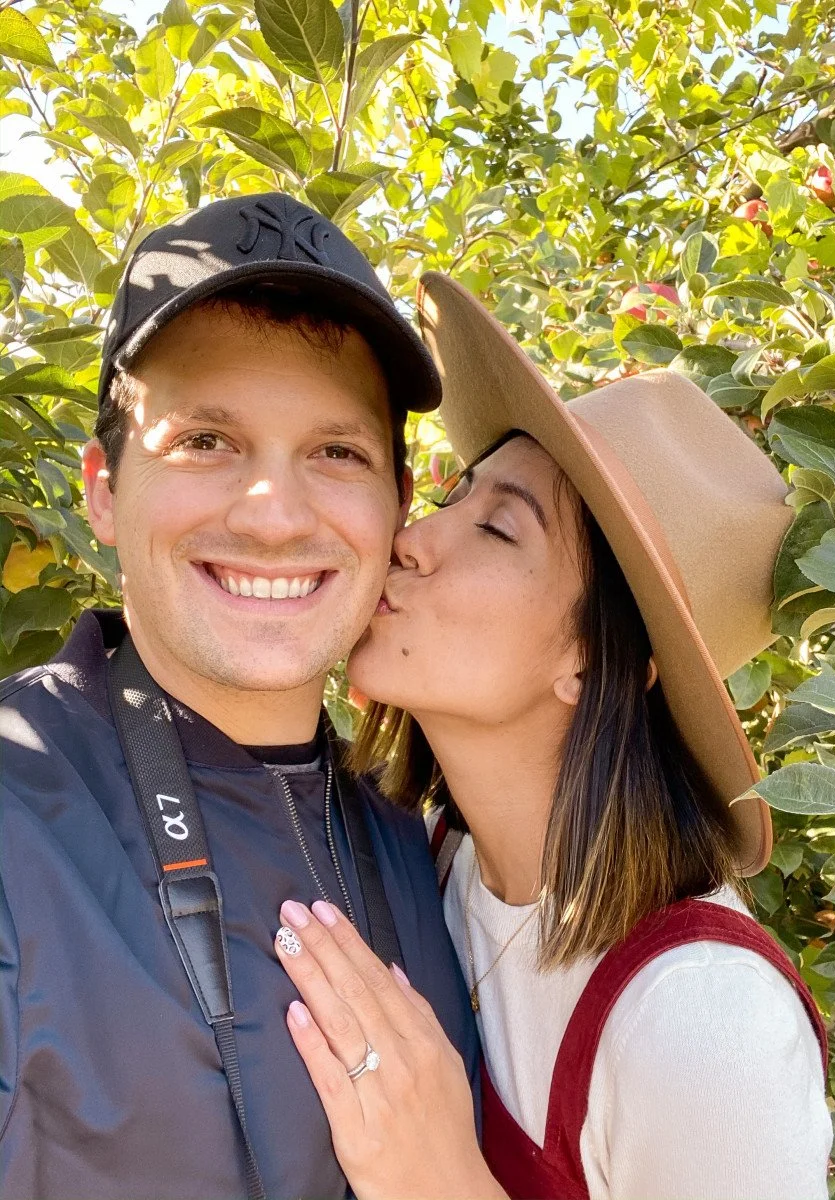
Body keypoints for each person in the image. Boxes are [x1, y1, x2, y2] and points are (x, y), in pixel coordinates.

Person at [271, 273, 834, 1200]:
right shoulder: (435, 861)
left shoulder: (704, 1022)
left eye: (495, 529)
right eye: (455, 497)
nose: (413, 538)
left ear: (590, 658)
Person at [0, 200, 477, 1199]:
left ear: (397, 505)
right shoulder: (17, 804)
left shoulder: (420, 840)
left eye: (337, 453)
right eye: (206, 440)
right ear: (101, 490)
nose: (274, 514)